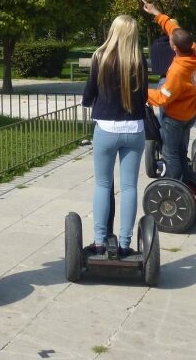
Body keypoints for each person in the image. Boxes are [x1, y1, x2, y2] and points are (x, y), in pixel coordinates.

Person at [82, 15, 147, 256]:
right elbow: (144, 98)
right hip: (134, 128)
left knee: (102, 184)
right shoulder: (138, 59)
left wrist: (88, 101)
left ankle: (99, 241)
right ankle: (124, 243)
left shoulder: (100, 56)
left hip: (107, 128)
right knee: (129, 186)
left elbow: (90, 91)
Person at [142, 0, 196, 181]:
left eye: (171, 39)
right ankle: (189, 184)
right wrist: (156, 13)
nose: (169, 36)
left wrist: (140, 92)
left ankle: (174, 187)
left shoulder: (178, 71)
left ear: (174, 47)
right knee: (181, 151)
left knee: (171, 154)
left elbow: (162, 97)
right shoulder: (194, 52)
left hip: (176, 117)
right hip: (189, 113)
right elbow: (173, 27)